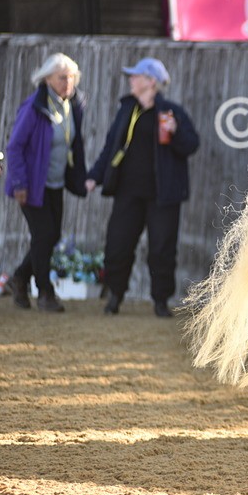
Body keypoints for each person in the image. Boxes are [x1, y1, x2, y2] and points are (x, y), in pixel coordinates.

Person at [86, 58, 200, 317]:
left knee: (162, 249)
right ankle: (114, 295)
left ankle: (160, 301)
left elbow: (191, 145)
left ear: (151, 81)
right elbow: (110, 148)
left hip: (163, 195)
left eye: (136, 76)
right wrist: (95, 176)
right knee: (118, 244)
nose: (131, 79)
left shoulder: (171, 112)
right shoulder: (127, 110)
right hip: (128, 193)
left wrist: (176, 131)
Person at [4, 53, 88, 312]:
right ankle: (45, 293)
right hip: (30, 186)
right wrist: (19, 183)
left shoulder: (71, 105)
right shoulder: (34, 108)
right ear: (47, 78)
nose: (68, 82)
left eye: (72, 77)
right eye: (62, 77)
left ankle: (19, 278)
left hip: (55, 184)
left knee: (50, 237)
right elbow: (15, 147)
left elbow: (73, 143)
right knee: (44, 235)